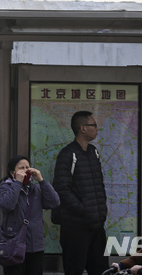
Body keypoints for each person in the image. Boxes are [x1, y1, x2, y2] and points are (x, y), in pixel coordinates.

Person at [52, 110, 109, 275]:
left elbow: (99, 185)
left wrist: (100, 212)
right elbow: (61, 188)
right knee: (74, 269)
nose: (97, 129)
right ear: (83, 128)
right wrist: (83, 209)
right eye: (94, 125)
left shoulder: (93, 152)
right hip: (76, 227)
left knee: (101, 269)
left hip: (97, 225)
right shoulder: (68, 154)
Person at [0, 155, 60, 275]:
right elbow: (7, 205)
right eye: (21, 168)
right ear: (12, 172)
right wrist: (17, 183)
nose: (25, 170)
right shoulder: (6, 187)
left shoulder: (35, 189)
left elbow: (54, 202)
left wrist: (41, 181)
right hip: (13, 244)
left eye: (27, 167)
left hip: (35, 244)